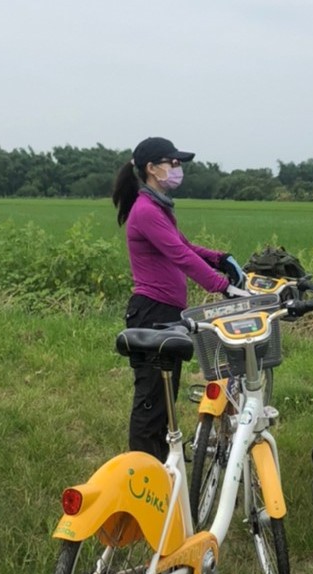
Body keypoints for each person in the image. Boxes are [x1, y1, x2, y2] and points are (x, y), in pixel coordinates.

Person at [112, 137, 247, 461]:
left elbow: (184, 246)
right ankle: (143, 470)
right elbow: (180, 256)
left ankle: (162, 465)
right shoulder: (146, 211)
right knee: (151, 401)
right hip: (151, 313)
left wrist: (220, 258)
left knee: (164, 398)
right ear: (151, 168)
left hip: (165, 312)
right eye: (172, 163)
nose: (177, 168)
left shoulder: (157, 207)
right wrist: (223, 287)